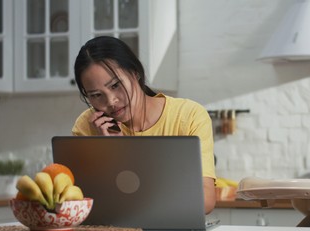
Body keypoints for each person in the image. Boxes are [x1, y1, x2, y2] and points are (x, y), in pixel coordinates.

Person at [71, 36, 216, 214]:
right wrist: (106, 153)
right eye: (96, 95)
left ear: (135, 72)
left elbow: (206, 201)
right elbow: (79, 204)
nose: (111, 101)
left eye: (116, 85)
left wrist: (127, 154)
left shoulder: (188, 116)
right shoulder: (87, 126)